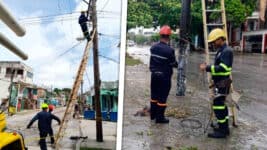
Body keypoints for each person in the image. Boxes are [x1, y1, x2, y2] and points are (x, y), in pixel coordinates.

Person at [200, 28, 233, 138]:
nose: (213, 43)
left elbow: (223, 68)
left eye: (214, 41)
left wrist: (207, 67)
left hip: (223, 83)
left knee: (218, 106)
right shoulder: (221, 50)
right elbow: (219, 67)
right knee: (222, 105)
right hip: (220, 82)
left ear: (220, 39)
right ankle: (224, 127)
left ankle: (222, 131)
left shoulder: (227, 51)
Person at [149, 25, 178, 124]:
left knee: (154, 96)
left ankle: (152, 115)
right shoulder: (170, 50)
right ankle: (160, 118)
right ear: (169, 37)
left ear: (160, 35)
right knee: (162, 97)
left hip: (154, 76)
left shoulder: (153, 48)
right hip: (164, 77)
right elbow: (174, 63)